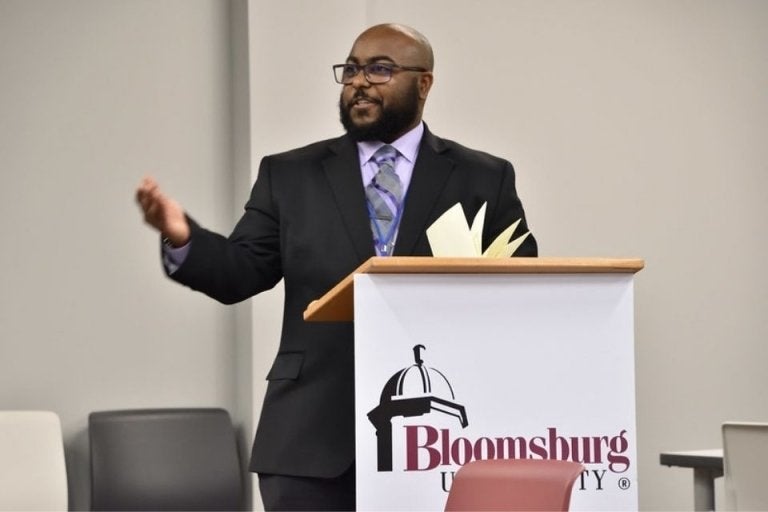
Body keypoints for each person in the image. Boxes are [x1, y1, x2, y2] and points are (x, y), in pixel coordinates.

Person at [136, 23, 537, 511]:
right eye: (350, 70)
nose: (359, 82)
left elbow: (518, 288)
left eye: (380, 69)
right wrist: (182, 236)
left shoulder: (482, 178)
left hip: (441, 444)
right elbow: (241, 271)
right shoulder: (289, 174)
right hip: (309, 440)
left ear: (424, 83)